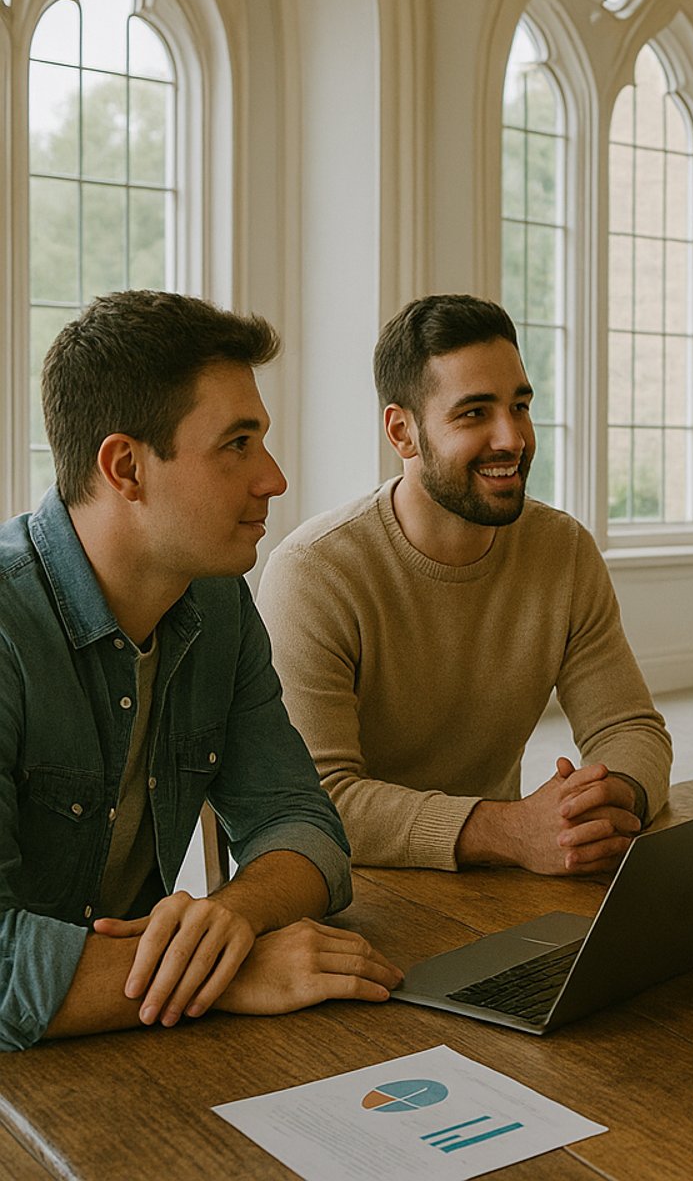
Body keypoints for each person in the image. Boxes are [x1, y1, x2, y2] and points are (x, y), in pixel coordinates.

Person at [0, 291, 401, 1051]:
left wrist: (233, 917)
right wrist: (230, 976)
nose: (275, 478)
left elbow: (305, 828)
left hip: (119, 1042)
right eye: (237, 444)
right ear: (126, 467)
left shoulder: (218, 604)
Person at [257, 295, 672, 873]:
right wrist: (508, 829)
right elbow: (319, 798)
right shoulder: (314, 572)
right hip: (349, 888)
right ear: (402, 432)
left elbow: (628, 726)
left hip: (504, 874)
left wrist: (608, 798)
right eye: (475, 413)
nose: (513, 438)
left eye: (520, 406)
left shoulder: (564, 551)